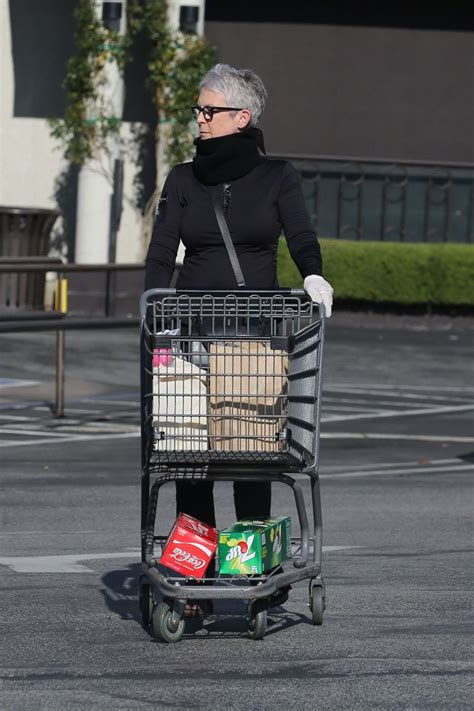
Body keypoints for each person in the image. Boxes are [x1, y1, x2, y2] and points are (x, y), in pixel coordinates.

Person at [145, 63, 333, 612]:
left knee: (249, 454)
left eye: (208, 111)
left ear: (241, 116)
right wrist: (156, 315)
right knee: (188, 457)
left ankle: (256, 573)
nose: (198, 119)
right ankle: (195, 576)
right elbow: (162, 254)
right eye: (199, 110)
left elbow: (299, 233)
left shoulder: (277, 175)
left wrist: (314, 272)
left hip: (253, 337)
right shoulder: (182, 179)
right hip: (190, 334)